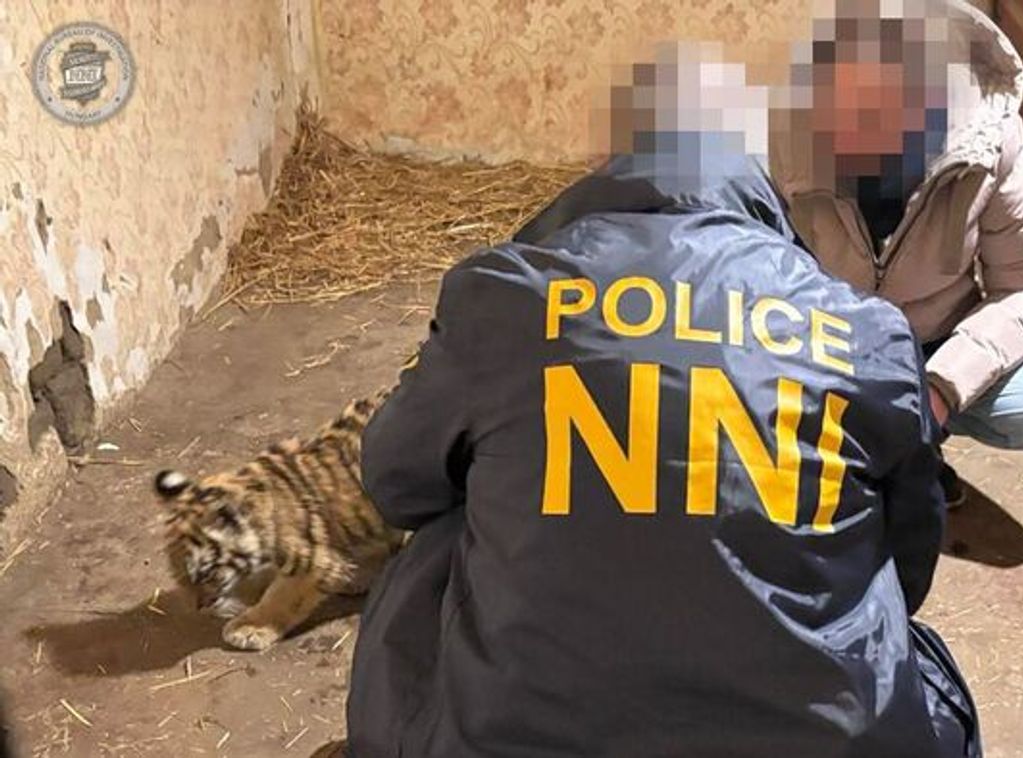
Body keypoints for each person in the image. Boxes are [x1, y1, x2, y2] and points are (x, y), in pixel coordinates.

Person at [347, 42, 980, 757]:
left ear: (612, 159)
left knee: (452, 512)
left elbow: (392, 482)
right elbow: (910, 559)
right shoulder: (866, 331)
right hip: (826, 740)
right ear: (759, 169)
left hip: (511, 736)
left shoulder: (504, 296)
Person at [773, 0, 1023, 503]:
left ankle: (916, 453)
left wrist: (941, 389)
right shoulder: (779, 139)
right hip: (817, 338)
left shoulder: (990, 147)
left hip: (930, 342)